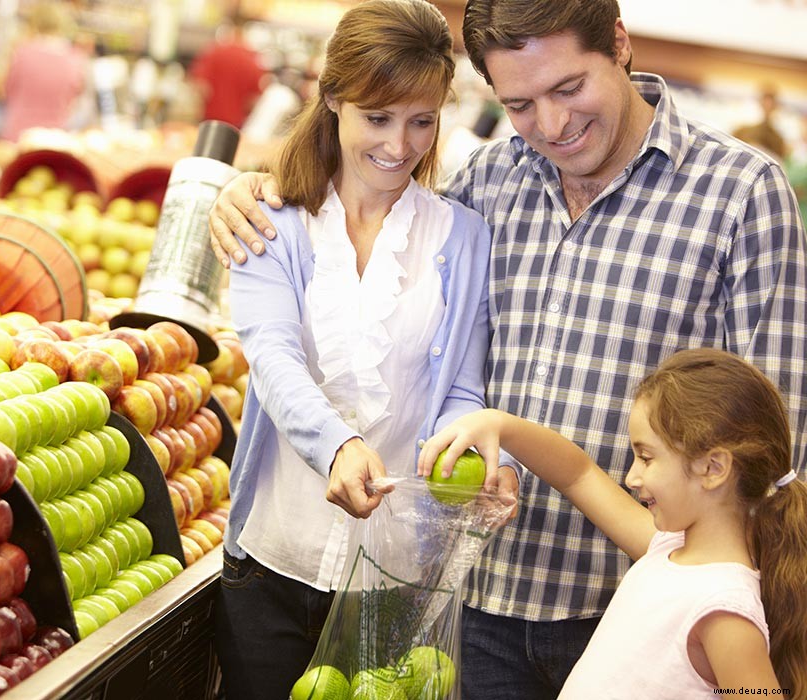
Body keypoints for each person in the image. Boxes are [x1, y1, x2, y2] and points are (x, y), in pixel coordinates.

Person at [206, 0, 807, 696]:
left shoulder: (741, 194)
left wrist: (763, 621)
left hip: (634, 605)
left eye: (569, 87)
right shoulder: (489, 183)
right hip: (476, 600)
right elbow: (436, 348)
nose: (552, 125)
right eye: (519, 102)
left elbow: (781, 440)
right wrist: (246, 190)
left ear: (618, 43)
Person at [210, 2, 504, 698]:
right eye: (378, 117)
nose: (400, 146)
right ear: (333, 99)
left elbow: (462, 390)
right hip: (273, 564)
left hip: (396, 580)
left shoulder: (462, 238)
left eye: (422, 120)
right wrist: (337, 446)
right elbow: (272, 357)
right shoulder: (270, 221)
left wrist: (481, 460)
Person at [419, 347, 807, 696]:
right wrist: (499, 424)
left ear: (713, 467)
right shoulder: (665, 547)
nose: (632, 476)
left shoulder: (724, 609)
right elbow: (579, 474)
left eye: (647, 457)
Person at [0, 2, 88, 141]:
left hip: (19, 135)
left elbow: (5, 91)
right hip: (56, 137)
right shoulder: (75, 58)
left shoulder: (22, 53)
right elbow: (75, 99)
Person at [187, 15, 266, 129]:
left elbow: (200, 86)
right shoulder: (252, 59)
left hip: (209, 121)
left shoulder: (214, 51)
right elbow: (253, 100)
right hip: (235, 126)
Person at [733, 85, 789, 162]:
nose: (767, 106)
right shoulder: (742, 129)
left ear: (775, 106)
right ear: (760, 102)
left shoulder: (778, 139)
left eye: (771, 103)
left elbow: (779, 160)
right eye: (765, 102)